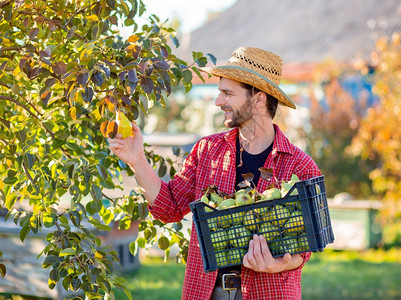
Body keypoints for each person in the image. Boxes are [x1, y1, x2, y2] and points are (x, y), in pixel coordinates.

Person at [109, 47, 321, 300]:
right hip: (208, 292)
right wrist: (137, 160)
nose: (219, 102)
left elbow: (306, 247)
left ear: (258, 99)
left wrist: (277, 264)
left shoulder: (299, 166)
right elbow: (169, 207)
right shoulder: (207, 151)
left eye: (227, 94)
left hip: (268, 293)